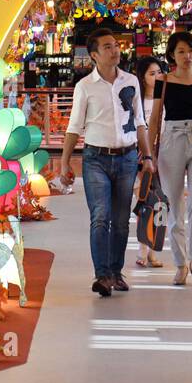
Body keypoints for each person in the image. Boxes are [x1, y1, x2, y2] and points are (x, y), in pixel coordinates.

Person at [59, 27, 155, 297]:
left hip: (126, 158)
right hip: (95, 160)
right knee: (100, 217)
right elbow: (74, 126)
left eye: (116, 45)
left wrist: (147, 157)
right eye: (108, 47)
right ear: (94, 55)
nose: (115, 50)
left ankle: (116, 272)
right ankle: (102, 275)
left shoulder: (131, 82)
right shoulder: (84, 87)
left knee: (122, 220)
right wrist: (65, 162)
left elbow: (140, 122)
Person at [147, 31, 192, 285]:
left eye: (190, 51)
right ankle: (181, 263)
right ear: (172, 55)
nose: (187, 56)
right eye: (181, 51)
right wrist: (149, 152)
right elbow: (155, 118)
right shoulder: (163, 80)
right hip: (172, 139)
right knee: (174, 204)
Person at [133, 56, 169, 268]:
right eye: (151, 73)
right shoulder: (137, 101)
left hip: (163, 158)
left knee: (161, 205)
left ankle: (155, 250)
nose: (156, 77)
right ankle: (142, 251)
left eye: (158, 72)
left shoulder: (165, 101)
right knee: (144, 204)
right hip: (141, 160)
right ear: (142, 77)